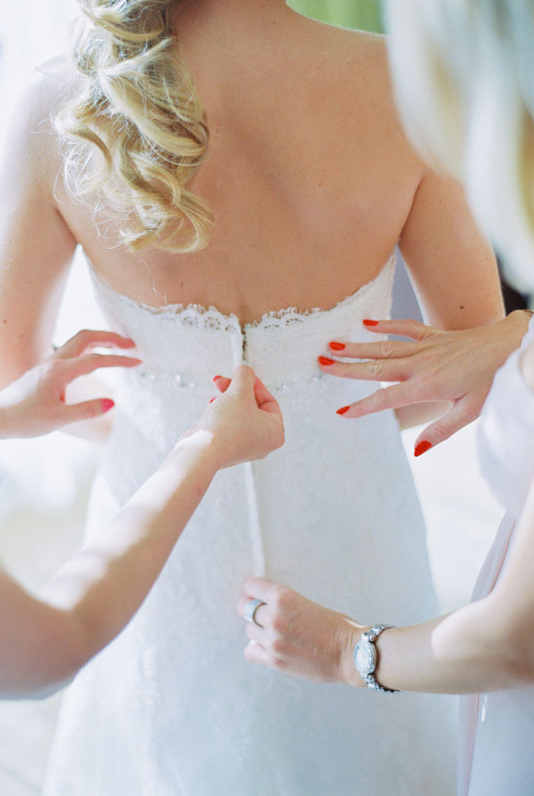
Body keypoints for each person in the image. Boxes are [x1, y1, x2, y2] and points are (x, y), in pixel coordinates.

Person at [0, 0, 509, 793]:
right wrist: (333, 420)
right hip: (354, 517)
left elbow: (8, 376)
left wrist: (155, 421)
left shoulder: (60, 105)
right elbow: (467, 360)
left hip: (159, 526)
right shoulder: (402, 87)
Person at [0, 3, 284, 794]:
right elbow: (46, 644)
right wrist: (204, 447)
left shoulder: (55, 107)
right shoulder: (392, 84)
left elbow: (4, 360)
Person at [236, 2, 534, 794]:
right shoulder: (376, 87)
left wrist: (345, 650)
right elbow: (468, 340)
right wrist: (513, 337)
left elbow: (518, 638)